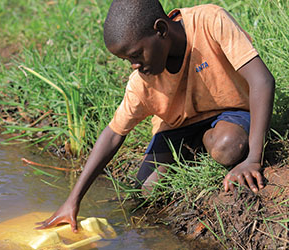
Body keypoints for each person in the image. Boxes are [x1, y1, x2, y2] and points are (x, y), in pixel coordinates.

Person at [37, 0, 275, 232]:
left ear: (161, 29)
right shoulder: (142, 83)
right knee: (147, 190)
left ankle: (207, 142)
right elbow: (112, 135)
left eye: (136, 55)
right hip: (177, 128)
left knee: (228, 147)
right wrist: (73, 199)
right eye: (127, 60)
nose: (133, 66)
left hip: (229, 112)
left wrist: (254, 159)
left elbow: (262, 81)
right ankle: (199, 144)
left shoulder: (209, 22)